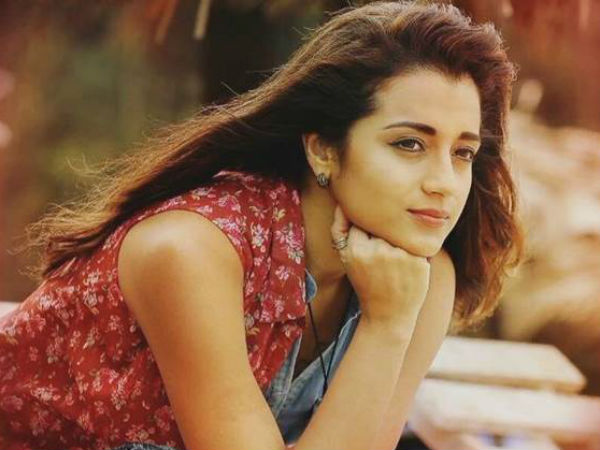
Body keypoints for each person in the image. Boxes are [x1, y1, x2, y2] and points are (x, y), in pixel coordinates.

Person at [0, 1, 524, 449]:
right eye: (409, 144)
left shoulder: (419, 278)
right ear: (323, 149)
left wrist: (389, 322)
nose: (444, 183)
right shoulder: (193, 252)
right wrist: (385, 326)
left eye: (462, 152)